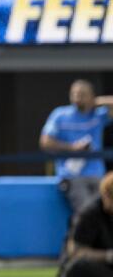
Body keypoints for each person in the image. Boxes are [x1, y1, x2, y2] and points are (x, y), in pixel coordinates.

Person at [40, 79, 113, 215]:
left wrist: (97, 101)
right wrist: (72, 148)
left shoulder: (98, 115)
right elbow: (45, 142)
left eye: (82, 94)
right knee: (87, 212)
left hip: (97, 175)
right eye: (74, 93)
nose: (77, 97)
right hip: (72, 176)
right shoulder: (60, 115)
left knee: (104, 213)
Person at [57, 172, 113, 277]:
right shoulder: (89, 213)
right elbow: (76, 253)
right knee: (81, 266)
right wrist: (108, 256)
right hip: (78, 272)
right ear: (106, 196)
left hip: (106, 270)